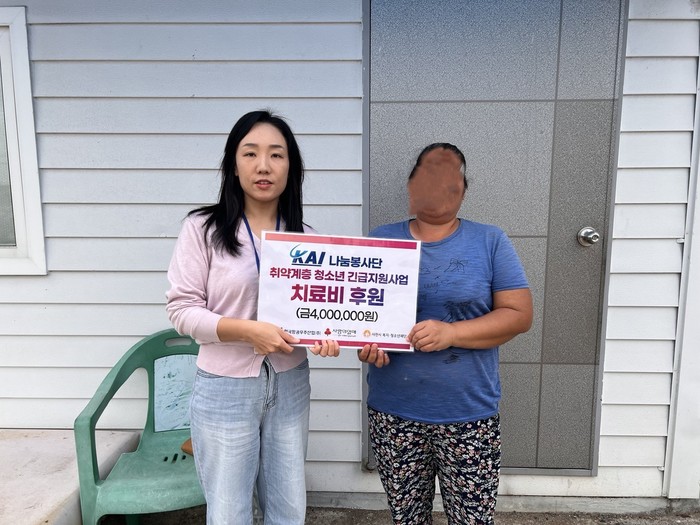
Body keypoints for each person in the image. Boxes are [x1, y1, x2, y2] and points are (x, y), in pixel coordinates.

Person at [166, 110, 340, 525]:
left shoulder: (309, 240)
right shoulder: (202, 229)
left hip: (290, 383)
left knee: (289, 508)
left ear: (291, 167)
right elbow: (182, 310)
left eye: (276, 155)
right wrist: (248, 332)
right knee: (229, 511)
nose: (264, 166)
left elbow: (320, 313)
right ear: (233, 164)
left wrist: (327, 336)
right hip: (224, 388)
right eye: (250, 153)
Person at [359, 143, 533, 525]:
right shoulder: (381, 240)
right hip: (394, 412)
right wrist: (367, 344)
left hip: (468, 413)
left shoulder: (490, 241)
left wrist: (451, 333)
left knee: (472, 519)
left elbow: (519, 315)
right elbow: (365, 317)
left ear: (463, 190)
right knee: (407, 518)